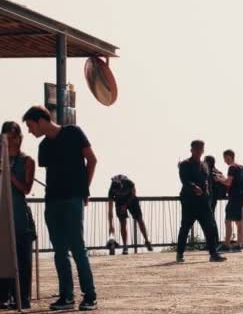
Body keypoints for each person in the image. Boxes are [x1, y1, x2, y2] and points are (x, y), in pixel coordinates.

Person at [22, 106, 98, 310]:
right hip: (52, 202)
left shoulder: (73, 132)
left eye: (30, 125)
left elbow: (92, 159)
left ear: (40, 120)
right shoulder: (43, 146)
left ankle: (90, 296)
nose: (29, 131)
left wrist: (84, 190)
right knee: (60, 251)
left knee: (77, 248)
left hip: (72, 199)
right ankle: (67, 297)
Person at [0, 122, 34, 310]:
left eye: (14, 137)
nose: (12, 141)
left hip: (19, 213)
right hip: (3, 212)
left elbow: (26, 189)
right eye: (7, 138)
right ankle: (3, 295)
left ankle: (22, 296)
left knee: (22, 256)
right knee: (2, 254)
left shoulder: (27, 160)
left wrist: (11, 176)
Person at [176, 140, 226, 263]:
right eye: (196, 148)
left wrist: (209, 197)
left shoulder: (205, 165)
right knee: (185, 227)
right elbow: (185, 180)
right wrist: (194, 187)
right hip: (189, 202)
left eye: (201, 148)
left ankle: (213, 254)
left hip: (203, 202)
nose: (199, 151)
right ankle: (179, 253)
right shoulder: (185, 164)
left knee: (210, 227)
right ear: (191, 150)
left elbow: (207, 182)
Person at [107, 175, 153, 255]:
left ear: (122, 186)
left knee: (139, 219)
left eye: (120, 191)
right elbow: (110, 211)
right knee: (123, 223)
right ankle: (125, 247)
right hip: (119, 203)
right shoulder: (111, 191)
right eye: (117, 192)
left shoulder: (128, 183)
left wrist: (126, 204)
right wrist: (111, 224)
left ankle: (147, 240)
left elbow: (134, 193)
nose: (119, 192)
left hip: (131, 199)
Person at [215, 149, 243, 252]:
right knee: (238, 221)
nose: (225, 161)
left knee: (228, 220)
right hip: (240, 196)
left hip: (234, 197)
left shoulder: (232, 167)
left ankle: (227, 244)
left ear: (229, 156)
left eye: (225, 158)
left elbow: (228, 183)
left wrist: (219, 179)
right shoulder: (240, 167)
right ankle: (239, 243)